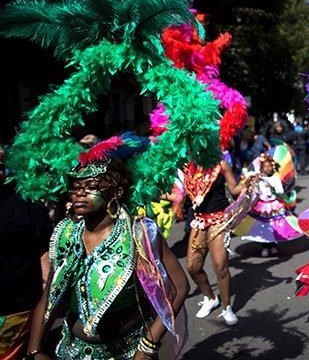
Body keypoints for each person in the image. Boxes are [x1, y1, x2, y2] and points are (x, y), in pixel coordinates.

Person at [24, 134, 189, 360]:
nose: (79, 193)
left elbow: (178, 288)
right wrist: (35, 350)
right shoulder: (66, 233)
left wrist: (147, 347)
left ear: (116, 192)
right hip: (71, 351)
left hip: (128, 350)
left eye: (90, 186)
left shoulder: (137, 232)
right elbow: (49, 296)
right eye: (75, 187)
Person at [0, 147, 52, 360]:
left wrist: (48, 304)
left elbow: (45, 257)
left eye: (1, 167)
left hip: (14, 314)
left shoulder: (25, 203)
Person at [184, 158, 246, 325]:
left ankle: (226, 307)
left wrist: (248, 183)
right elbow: (177, 195)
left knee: (220, 265)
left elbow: (234, 189)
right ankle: (211, 298)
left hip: (219, 220)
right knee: (193, 267)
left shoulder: (221, 164)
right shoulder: (187, 167)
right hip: (199, 221)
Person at [234, 153, 304, 256]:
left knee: (274, 226)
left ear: (273, 167)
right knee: (262, 226)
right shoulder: (258, 178)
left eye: (269, 166)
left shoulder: (276, 179)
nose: (267, 168)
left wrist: (272, 188)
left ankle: (273, 245)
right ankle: (265, 247)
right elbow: (254, 190)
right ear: (261, 168)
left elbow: (280, 192)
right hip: (261, 205)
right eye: (265, 166)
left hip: (274, 204)